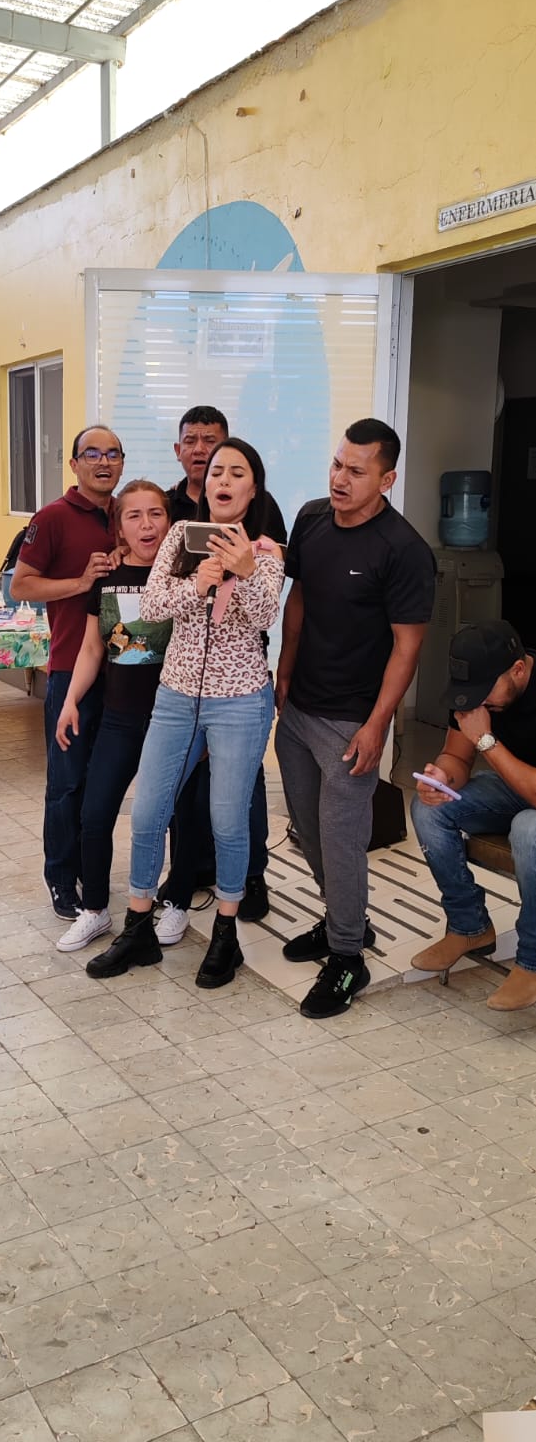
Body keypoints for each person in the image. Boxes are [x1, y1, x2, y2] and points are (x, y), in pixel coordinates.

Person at [86, 438, 284, 989]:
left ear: (252, 488)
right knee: (148, 812)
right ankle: (138, 929)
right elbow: (150, 608)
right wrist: (198, 583)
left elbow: (263, 617)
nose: (223, 480)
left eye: (237, 472)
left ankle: (225, 933)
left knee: (227, 819)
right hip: (175, 696)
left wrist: (244, 571)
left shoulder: (266, 551)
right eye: (217, 471)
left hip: (240, 700)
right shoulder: (178, 537)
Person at [275, 418, 435, 1020]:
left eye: (356, 471)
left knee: (342, 840)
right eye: (337, 465)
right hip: (299, 707)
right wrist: (284, 669)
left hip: (351, 722)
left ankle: (348, 957)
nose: (340, 479)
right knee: (306, 829)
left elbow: (407, 648)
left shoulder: (404, 550)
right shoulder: (312, 518)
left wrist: (377, 725)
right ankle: (345, 920)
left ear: (386, 480)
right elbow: (299, 598)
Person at [165, 404, 288, 922]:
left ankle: (250, 875)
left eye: (210, 442)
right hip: (182, 673)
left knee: (240, 788)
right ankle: (188, 872)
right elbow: (157, 584)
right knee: (181, 785)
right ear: (180, 450)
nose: (201, 452)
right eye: (192, 442)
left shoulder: (261, 509)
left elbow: (271, 586)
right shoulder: (172, 508)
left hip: (240, 677)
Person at [53, 481, 184, 953]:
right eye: (134, 516)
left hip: (174, 719)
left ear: (170, 522)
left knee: (178, 816)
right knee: (95, 813)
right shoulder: (106, 578)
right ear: (119, 527)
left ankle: (177, 901)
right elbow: (92, 648)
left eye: (156, 514)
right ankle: (95, 910)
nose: (147, 525)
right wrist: (70, 701)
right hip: (119, 718)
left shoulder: (184, 575)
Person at [10, 425, 124, 919]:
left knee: (103, 786)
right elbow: (21, 586)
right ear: (74, 464)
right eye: (92, 454)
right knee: (67, 783)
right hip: (68, 670)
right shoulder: (52, 517)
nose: (104, 462)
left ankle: (91, 871)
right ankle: (60, 877)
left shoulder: (127, 515)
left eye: (113, 453)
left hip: (124, 672)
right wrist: (80, 583)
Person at [411, 620, 536, 1010]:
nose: (476, 703)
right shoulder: (474, 693)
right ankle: (470, 927)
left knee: (528, 830)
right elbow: (457, 756)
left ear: (518, 670)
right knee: (429, 809)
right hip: (513, 784)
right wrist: (442, 777)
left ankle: (532, 960)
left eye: (485, 693)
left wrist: (486, 740)